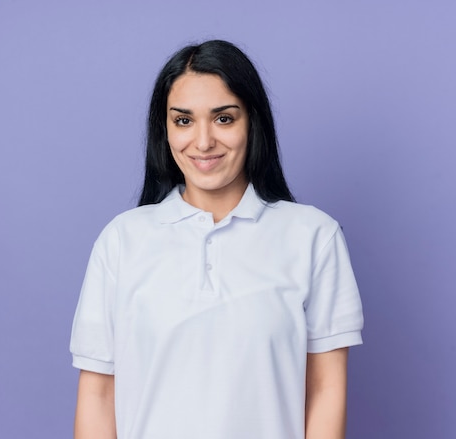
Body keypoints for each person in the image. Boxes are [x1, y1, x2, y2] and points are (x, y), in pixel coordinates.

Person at [70, 39, 364, 439]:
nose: (203, 141)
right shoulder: (122, 240)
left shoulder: (313, 236)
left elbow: (325, 390)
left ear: (252, 122)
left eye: (224, 119)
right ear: (165, 130)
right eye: (184, 120)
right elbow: (99, 395)